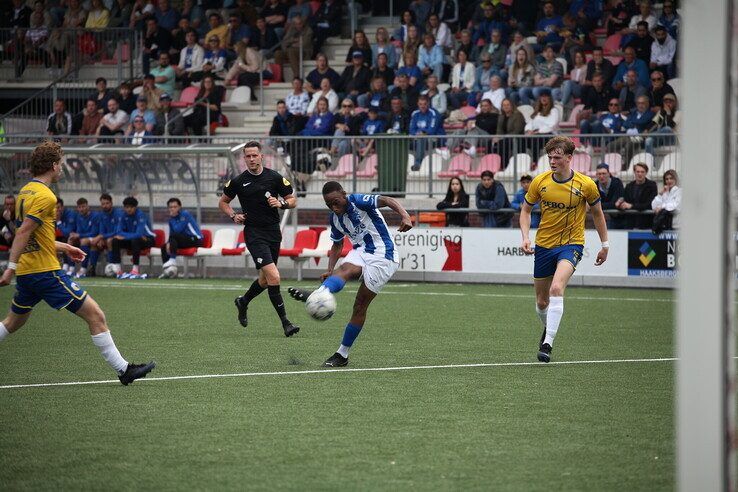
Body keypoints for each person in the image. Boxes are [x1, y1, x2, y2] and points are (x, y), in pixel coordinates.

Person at [0, 141, 155, 385]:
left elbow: (33, 237)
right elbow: (23, 233)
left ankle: (124, 370)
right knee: (95, 314)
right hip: (44, 272)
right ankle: (124, 370)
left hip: (30, 272)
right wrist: (10, 268)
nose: (61, 168)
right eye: (60, 163)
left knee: (12, 323)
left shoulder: (26, 191)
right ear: (53, 165)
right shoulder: (45, 196)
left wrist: (64, 246)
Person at [287, 181, 413, 367]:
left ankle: (342, 353)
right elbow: (337, 245)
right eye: (329, 204)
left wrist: (405, 215)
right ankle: (321, 293)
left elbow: (386, 200)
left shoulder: (358, 201)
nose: (333, 207)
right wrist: (330, 270)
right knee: (345, 270)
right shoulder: (336, 218)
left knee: (360, 305)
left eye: (336, 202)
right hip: (361, 250)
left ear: (344, 195)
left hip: (383, 254)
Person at [519, 135, 609, 363]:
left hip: (571, 244)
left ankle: (547, 344)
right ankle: (548, 328)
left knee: (557, 288)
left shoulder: (586, 184)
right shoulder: (540, 182)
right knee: (541, 302)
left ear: (569, 158)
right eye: (550, 157)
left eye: (557, 157)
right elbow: (526, 211)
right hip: (544, 245)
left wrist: (604, 245)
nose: (552, 161)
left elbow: (597, 214)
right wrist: (525, 237)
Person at [220, 141, 299, 337]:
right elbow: (223, 202)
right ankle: (286, 323)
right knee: (274, 276)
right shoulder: (238, 181)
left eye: (255, 155)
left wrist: (280, 203)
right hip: (254, 233)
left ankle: (244, 301)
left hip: (273, 232)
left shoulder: (274, 177)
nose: (252, 159)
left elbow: (293, 200)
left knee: (264, 280)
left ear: (261, 156)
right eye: (248, 156)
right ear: (244, 158)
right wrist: (233, 215)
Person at [109, 196, 156, 279]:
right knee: (115, 240)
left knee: (135, 240)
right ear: (124, 208)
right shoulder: (123, 215)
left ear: (135, 207)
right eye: (127, 207)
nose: (129, 209)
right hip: (133, 239)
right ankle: (118, 269)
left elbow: (139, 234)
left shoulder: (140, 215)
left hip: (148, 239)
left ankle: (135, 270)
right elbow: (119, 232)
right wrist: (125, 236)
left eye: (131, 207)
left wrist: (124, 236)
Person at [159, 197, 202, 276]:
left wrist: (173, 217)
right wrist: (168, 243)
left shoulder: (185, 214)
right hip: (183, 240)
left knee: (175, 235)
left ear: (179, 207)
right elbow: (172, 233)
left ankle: (172, 260)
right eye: (171, 207)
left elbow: (177, 230)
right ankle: (168, 271)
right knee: (164, 246)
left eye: (175, 207)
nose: (172, 209)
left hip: (195, 239)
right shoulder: (171, 220)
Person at [615, 162, 658, 229]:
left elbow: (649, 204)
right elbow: (625, 202)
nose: (640, 174)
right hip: (631, 224)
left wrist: (631, 206)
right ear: (634, 172)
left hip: (646, 224)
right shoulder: (629, 186)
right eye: (637, 172)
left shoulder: (652, 186)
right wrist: (620, 205)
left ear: (646, 173)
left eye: (642, 172)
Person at [89, 193, 123, 274]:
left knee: (109, 241)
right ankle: (92, 268)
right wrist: (100, 238)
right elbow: (102, 229)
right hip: (106, 237)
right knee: (94, 243)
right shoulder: (101, 214)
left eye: (107, 203)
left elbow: (117, 232)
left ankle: (110, 268)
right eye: (103, 204)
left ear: (111, 203)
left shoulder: (118, 213)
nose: (105, 206)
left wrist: (101, 236)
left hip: (118, 239)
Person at [409, 95, 444, 169]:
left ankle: (418, 163)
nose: (422, 106)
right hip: (418, 138)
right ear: (418, 104)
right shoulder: (415, 113)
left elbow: (432, 131)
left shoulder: (434, 113)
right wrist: (418, 133)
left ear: (428, 104)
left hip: (435, 139)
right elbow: (411, 130)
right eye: (420, 104)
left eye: (424, 104)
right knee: (402, 142)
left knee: (421, 138)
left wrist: (422, 133)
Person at [69, 197, 100, 278]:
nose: (81, 209)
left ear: (88, 206)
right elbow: (78, 231)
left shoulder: (95, 216)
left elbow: (94, 232)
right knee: (70, 241)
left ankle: (83, 269)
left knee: (83, 241)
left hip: (94, 237)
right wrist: (73, 235)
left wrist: (79, 235)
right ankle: (70, 269)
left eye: (83, 206)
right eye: (79, 207)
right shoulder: (78, 217)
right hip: (84, 238)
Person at [276, 14, 312, 79]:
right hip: (291, 51)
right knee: (278, 53)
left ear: (303, 23)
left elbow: (304, 44)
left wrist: (291, 43)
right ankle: (280, 77)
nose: (299, 25)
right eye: (296, 24)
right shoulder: (292, 29)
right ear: (294, 24)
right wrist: (294, 40)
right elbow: (284, 42)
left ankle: (296, 76)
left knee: (291, 50)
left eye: (300, 23)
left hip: (304, 52)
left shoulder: (308, 30)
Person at [594, 163, 624, 227]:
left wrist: (597, 206)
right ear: (596, 175)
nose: (601, 176)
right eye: (599, 174)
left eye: (604, 173)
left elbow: (615, 204)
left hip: (617, 218)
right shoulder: (594, 185)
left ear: (609, 174)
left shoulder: (617, 183)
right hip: (600, 217)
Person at [651, 169, 681, 234]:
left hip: (677, 226)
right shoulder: (664, 192)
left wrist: (662, 207)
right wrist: (660, 194)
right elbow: (653, 206)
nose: (669, 181)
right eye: (667, 179)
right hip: (665, 227)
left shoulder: (680, 191)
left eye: (671, 178)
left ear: (675, 179)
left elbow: (675, 205)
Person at [55, 198, 77, 274]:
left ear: (62, 207)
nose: (57, 210)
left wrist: (58, 222)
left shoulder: (70, 214)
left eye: (58, 207)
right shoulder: (51, 214)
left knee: (68, 238)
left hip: (75, 238)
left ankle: (70, 267)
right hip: (62, 238)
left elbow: (68, 232)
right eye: (54, 208)